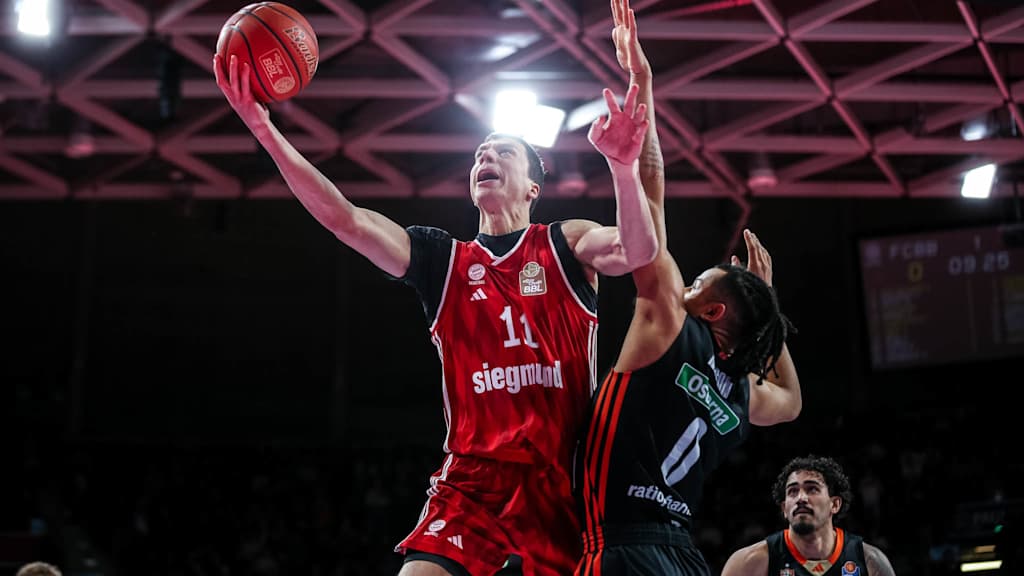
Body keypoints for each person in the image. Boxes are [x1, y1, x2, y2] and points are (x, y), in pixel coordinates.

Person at [214, 51, 659, 575]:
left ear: (533, 188)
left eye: (502, 151)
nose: (484, 156)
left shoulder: (565, 242)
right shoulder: (442, 260)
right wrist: (263, 130)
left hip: (560, 480)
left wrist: (623, 170)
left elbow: (639, 251)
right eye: (478, 154)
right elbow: (346, 220)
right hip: (472, 482)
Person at [575, 1, 801, 574]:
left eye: (702, 279)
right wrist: (767, 319)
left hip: (621, 547)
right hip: (682, 555)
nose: (689, 277)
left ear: (714, 308)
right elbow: (794, 403)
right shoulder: (740, 394)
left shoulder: (669, 322)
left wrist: (642, 82)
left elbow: (651, 197)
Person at [721, 455, 897, 576]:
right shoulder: (749, 562)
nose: (801, 498)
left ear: (834, 504)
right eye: (793, 491)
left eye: (812, 489)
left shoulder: (869, 561)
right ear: (784, 508)